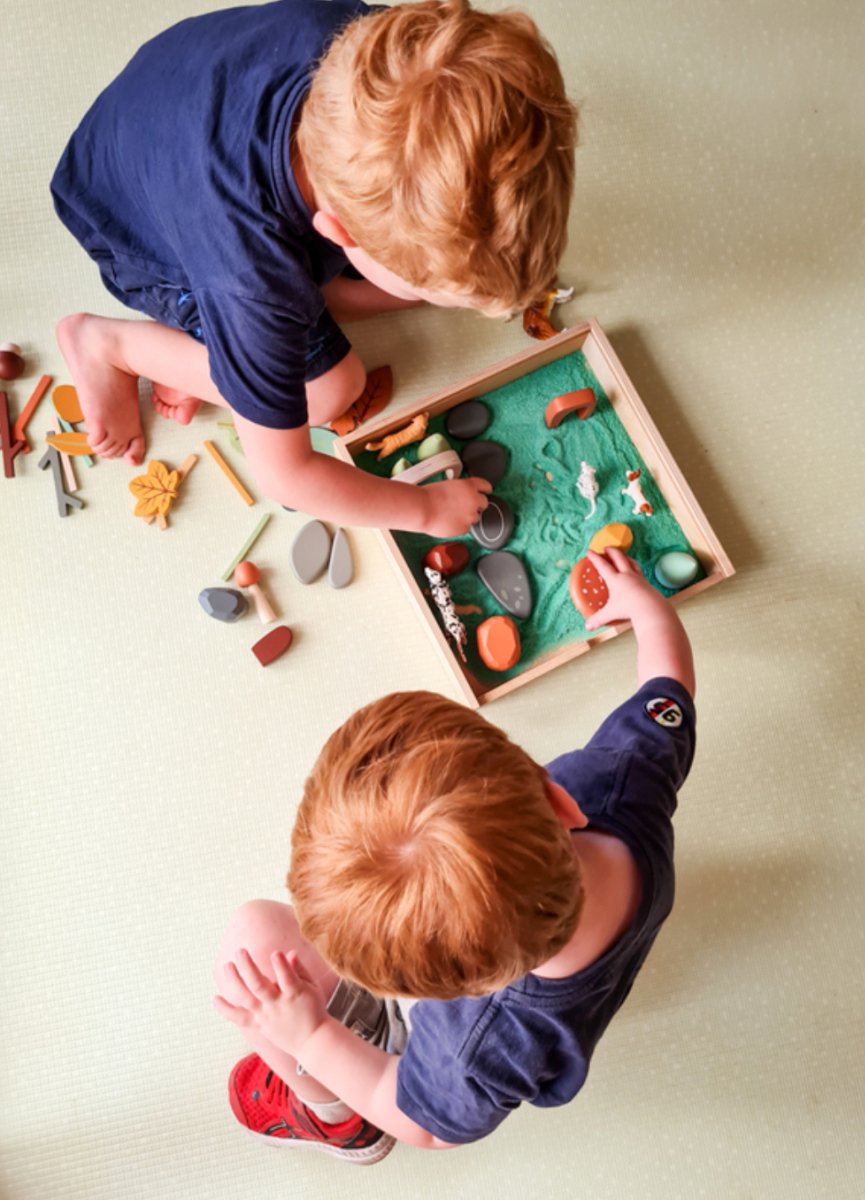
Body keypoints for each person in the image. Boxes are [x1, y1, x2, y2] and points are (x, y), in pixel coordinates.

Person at [213, 548, 698, 1163]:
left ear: (449, 989)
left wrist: (307, 1034)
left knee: (252, 947)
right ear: (557, 801)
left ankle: (336, 1119)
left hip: (397, 1074)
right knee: (259, 930)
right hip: (585, 944)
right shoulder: (625, 781)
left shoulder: (486, 1039)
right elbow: (669, 692)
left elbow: (426, 1125)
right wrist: (651, 611)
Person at [50, 0, 577, 537]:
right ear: (340, 235)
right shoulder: (251, 282)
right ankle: (110, 345)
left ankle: (313, 310)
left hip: (174, 104)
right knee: (332, 390)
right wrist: (425, 511)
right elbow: (286, 476)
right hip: (132, 228)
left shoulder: (388, 49)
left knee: (408, 290)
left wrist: (426, 281)